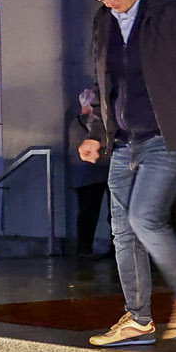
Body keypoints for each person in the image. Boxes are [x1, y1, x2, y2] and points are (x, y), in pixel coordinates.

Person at [78, 0, 176, 347]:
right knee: (122, 230)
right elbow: (107, 88)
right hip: (124, 140)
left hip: (165, 136)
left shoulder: (170, 15)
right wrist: (96, 135)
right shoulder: (103, 22)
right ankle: (138, 318)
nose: (109, 2)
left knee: (144, 218)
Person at [66, 88, 109, 259]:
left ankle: (84, 248)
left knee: (86, 213)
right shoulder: (93, 123)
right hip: (96, 173)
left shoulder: (73, 123)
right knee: (92, 213)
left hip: (81, 176)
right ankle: (86, 249)